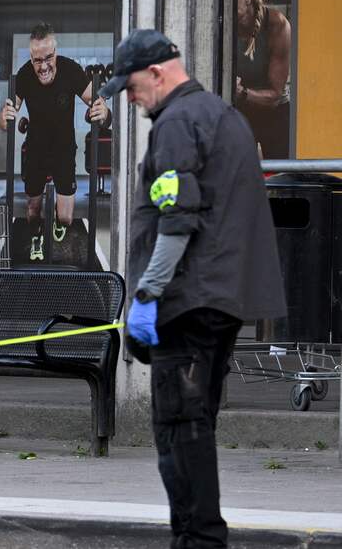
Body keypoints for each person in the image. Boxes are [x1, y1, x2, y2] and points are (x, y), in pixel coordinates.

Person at [100, 29, 286, 548]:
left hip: (186, 305)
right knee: (196, 425)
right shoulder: (226, 118)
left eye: (133, 88)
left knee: (179, 431)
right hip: (220, 303)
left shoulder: (178, 121)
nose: (132, 101)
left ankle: (199, 540)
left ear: (157, 74)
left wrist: (144, 298)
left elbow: (178, 221)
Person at [0, 22, 110, 261]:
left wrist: (104, 112)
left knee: (67, 218)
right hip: (36, 147)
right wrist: (5, 116)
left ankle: (58, 223)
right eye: (37, 60)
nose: (44, 66)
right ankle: (36, 233)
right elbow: (7, 116)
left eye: (49, 57)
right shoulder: (26, 74)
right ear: (31, 57)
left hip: (63, 146)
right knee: (32, 209)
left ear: (55, 53)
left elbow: (97, 103)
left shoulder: (71, 70)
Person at [236, 0, 291, 159]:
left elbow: (275, 95)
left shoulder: (277, 24)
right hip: (241, 111)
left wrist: (241, 93)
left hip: (274, 112)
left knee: (280, 178)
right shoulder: (223, 23)